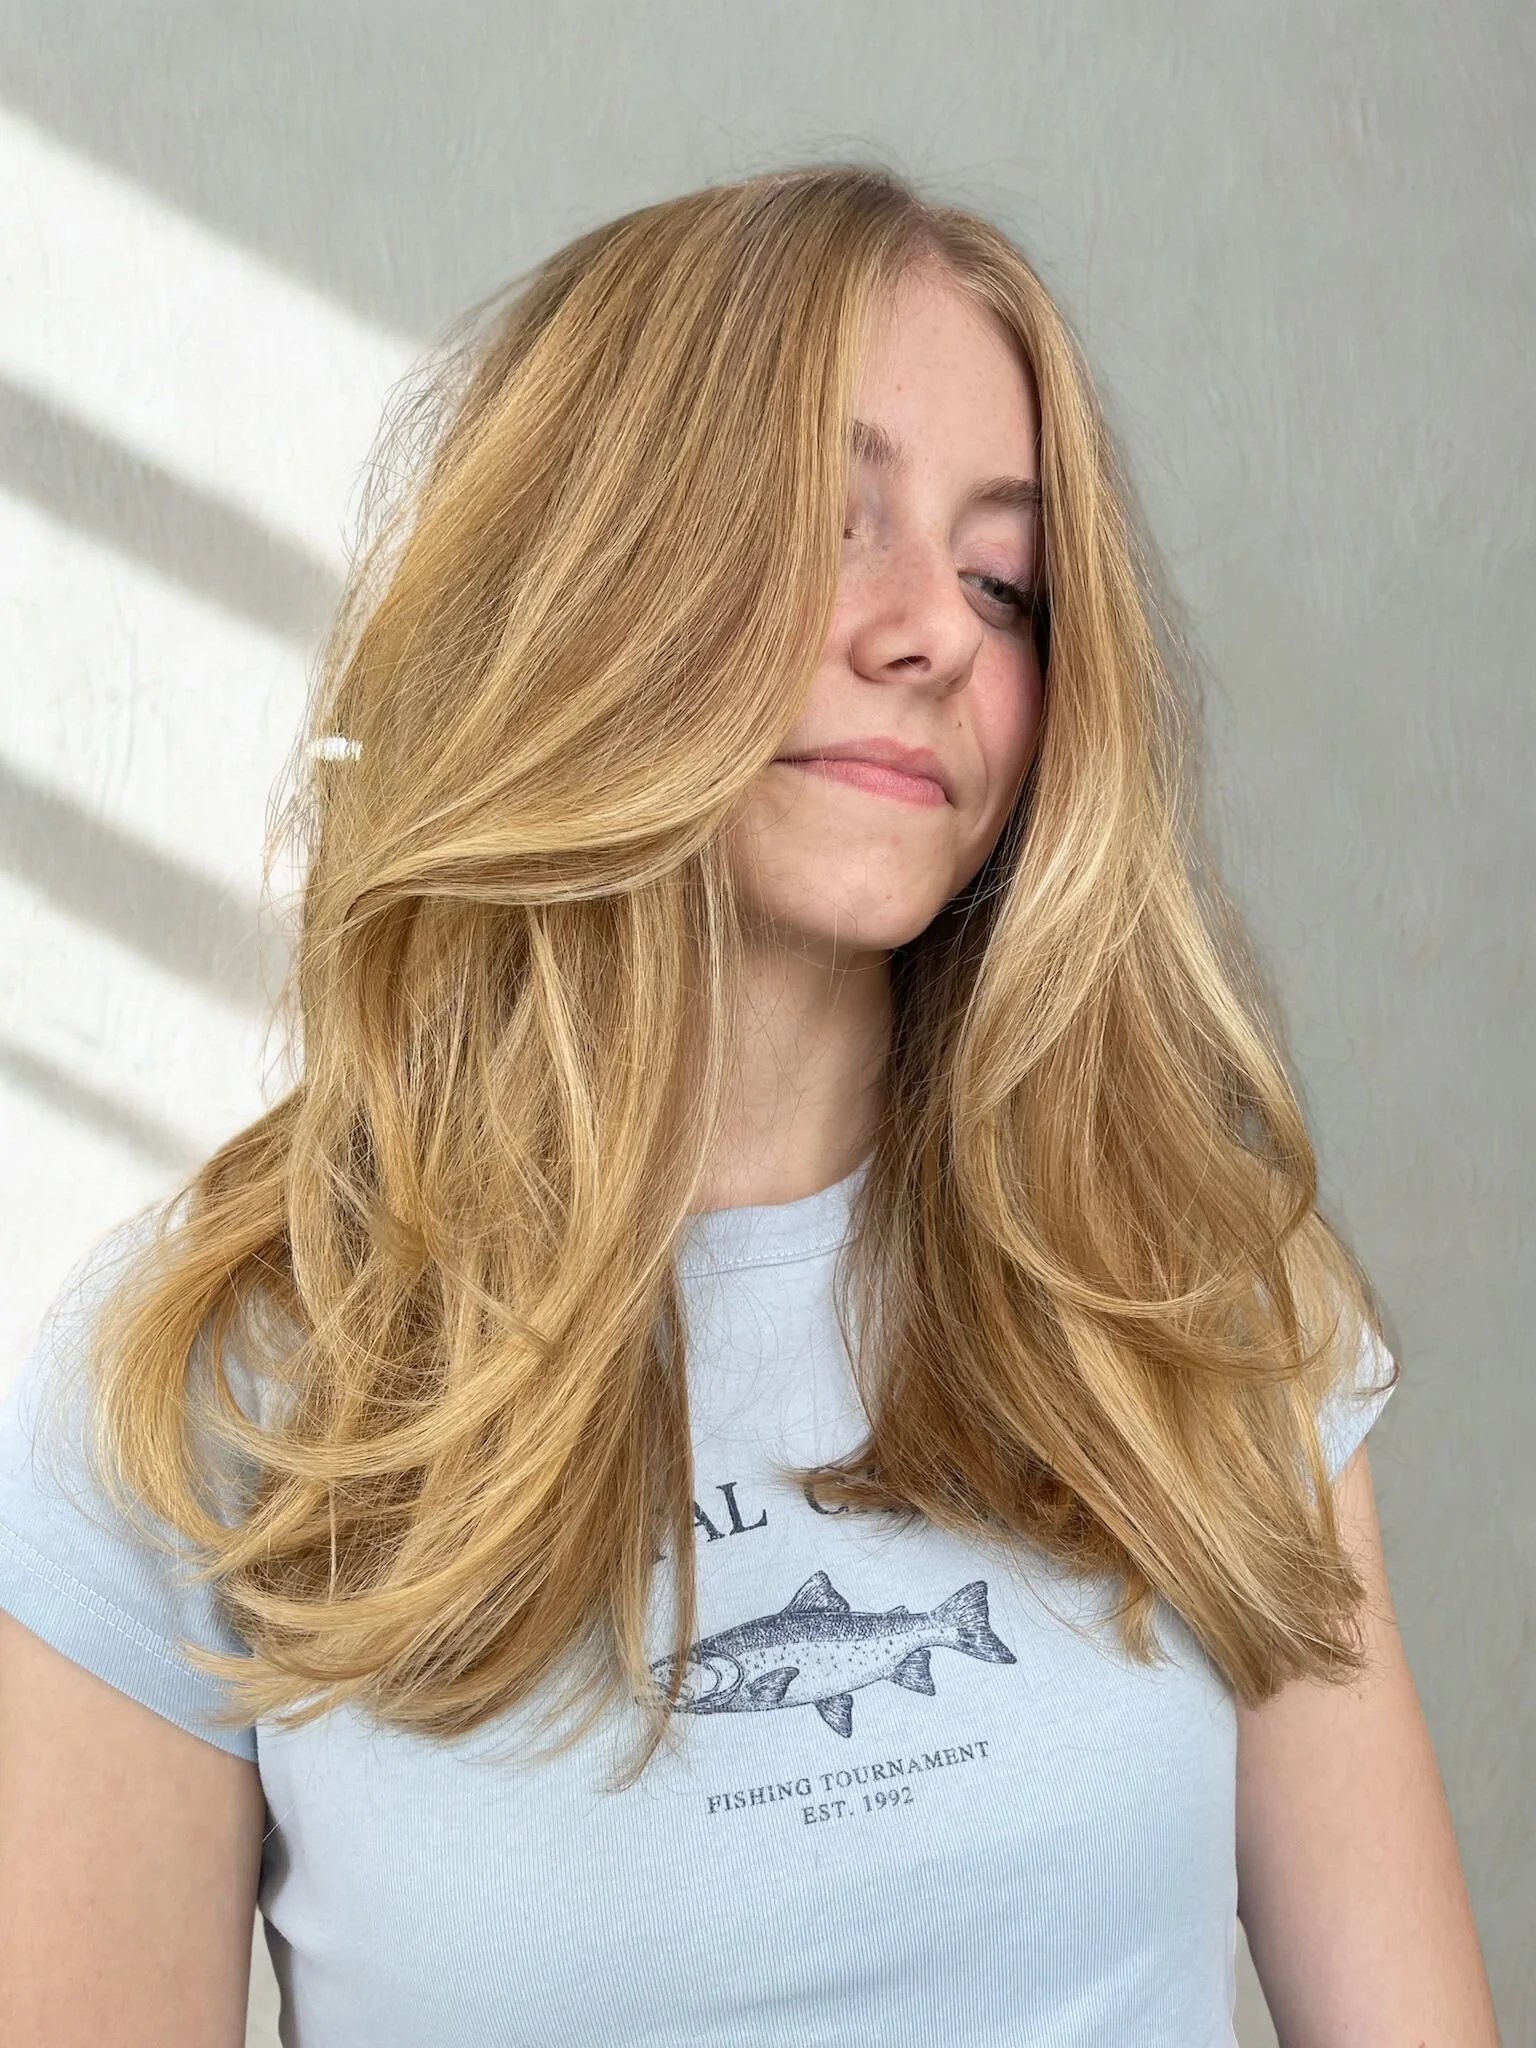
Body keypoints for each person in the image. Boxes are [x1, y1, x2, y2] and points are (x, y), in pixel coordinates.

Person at [0, 165, 1500, 2048]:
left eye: (1001, 580)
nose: (936, 635)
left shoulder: (1191, 1307)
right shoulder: (200, 1394)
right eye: (825, 525)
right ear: (582, 583)